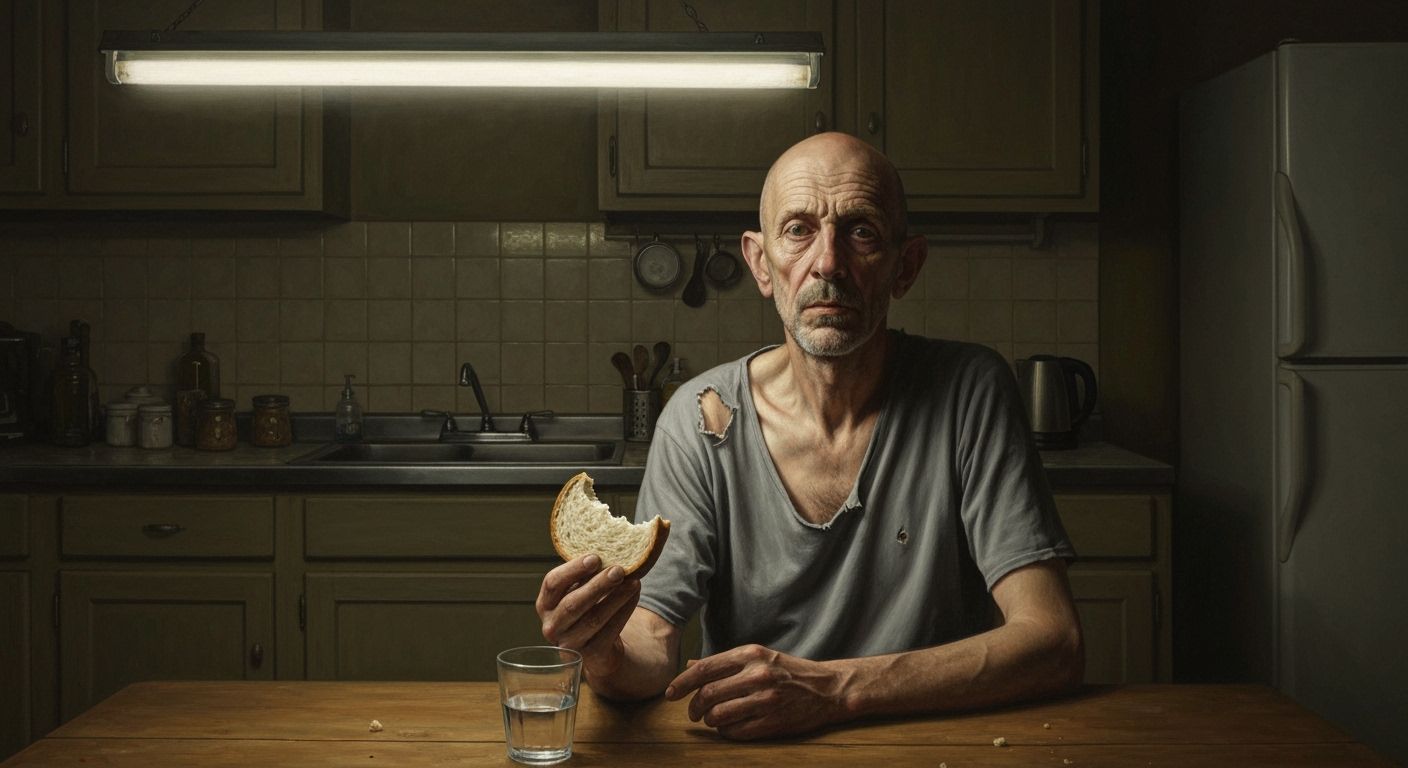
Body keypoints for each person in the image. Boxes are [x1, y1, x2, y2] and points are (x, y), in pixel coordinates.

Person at [536, 132, 1083, 740]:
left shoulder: (969, 392)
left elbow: (1052, 638)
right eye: (798, 230)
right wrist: (603, 650)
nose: (828, 262)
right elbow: (652, 639)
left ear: (906, 267)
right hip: (754, 752)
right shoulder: (697, 419)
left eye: (862, 231)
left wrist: (834, 691)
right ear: (761, 264)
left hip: (932, 743)